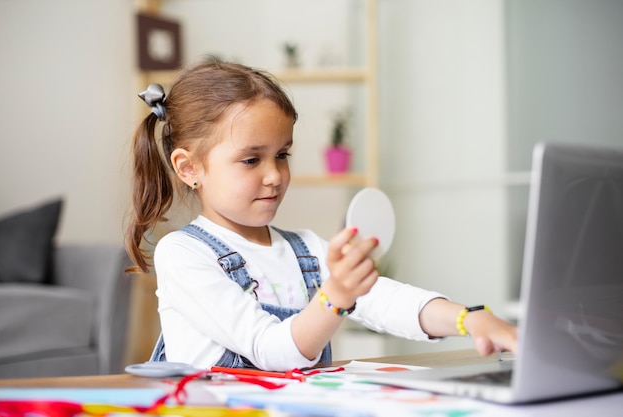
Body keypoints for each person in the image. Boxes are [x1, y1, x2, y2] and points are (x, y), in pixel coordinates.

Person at [125, 58, 517, 372]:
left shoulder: (306, 250)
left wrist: (470, 319)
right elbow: (270, 350)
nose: (274, 175)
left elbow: (383, 299)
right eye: (250, 159)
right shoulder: (183, 255)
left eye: (282, 155)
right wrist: (334, 298)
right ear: (189, 168)